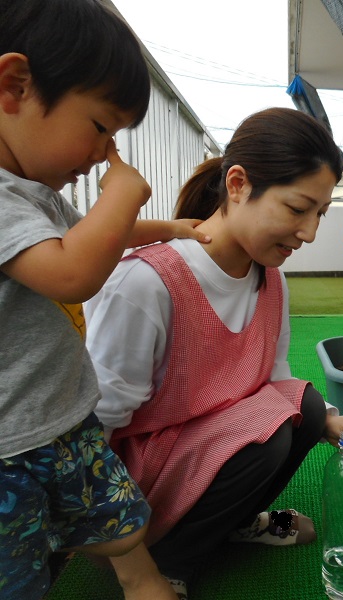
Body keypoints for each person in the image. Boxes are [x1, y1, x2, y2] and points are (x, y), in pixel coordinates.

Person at [84, 107, 343, 599]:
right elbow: (95, 432)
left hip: (209, 453)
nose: (309, 232)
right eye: (297, 209)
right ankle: (166, 565)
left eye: (320, 215)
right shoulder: (147, 283)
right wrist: (118, 552)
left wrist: (331, 421)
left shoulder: (270, 278)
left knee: (305, 408)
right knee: (263, 432)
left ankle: (234, 523)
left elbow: (277, 377)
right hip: (134, 489)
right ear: (239, 184)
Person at [0, 1, 218, 598]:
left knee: (122, 526)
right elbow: (73, 272)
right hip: (9, 447)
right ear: (14, 86)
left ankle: (145, 582)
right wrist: (123, 191)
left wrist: (171, 227)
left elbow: (97, 235)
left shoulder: (32, 192)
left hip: (64, 419)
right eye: (101, 127)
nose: (105, 152)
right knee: (20, 575)